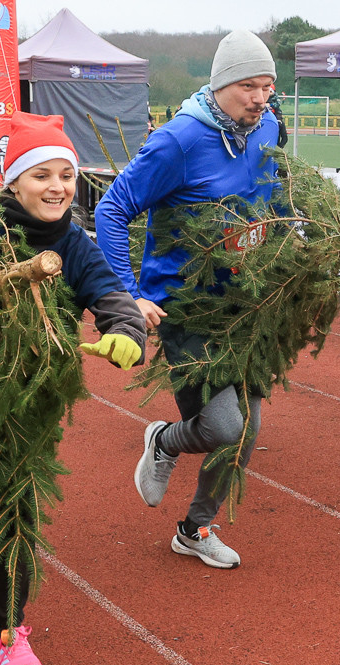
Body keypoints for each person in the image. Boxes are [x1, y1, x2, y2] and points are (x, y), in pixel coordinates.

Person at [0, 110, 146, 665]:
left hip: (36, 400)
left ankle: (9, 630)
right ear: (14, 182)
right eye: (42, 175)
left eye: (66, 176)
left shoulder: (75, 245)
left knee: (14, 505)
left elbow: (110, 294)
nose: (57, 187)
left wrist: (125, 331)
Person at [95, 29, 280, 570]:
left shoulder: (266, 126)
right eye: (248, 86)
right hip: (185, 308)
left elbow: (275, 195)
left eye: (267, 87)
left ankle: (195, 529)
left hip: (246, 303)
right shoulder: (178, 141)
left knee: (246, 430)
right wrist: (128, 295)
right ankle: (165, 441)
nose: (259, 98)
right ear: (220, 85)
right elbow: (111, 210)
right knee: (222, 427)